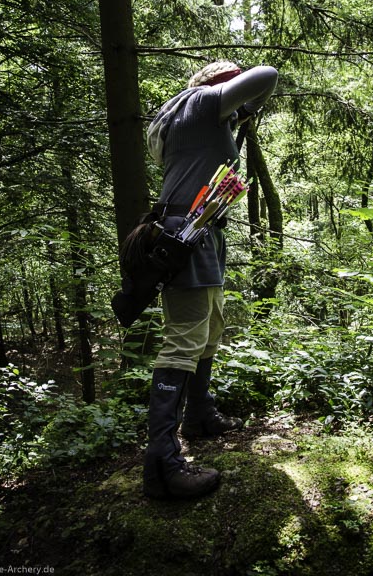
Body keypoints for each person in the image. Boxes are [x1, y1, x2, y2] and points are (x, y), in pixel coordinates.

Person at [143, 61, 278, 500]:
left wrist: (239, 114)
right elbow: (267, 75)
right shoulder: (199, 103)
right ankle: (162, 464)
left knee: (211, 327)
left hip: (201, 232)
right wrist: (248, 100)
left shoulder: (184, 116)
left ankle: (199, 415)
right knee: (184, 337)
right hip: (187, 234)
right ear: (218, 84)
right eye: (231, 85)